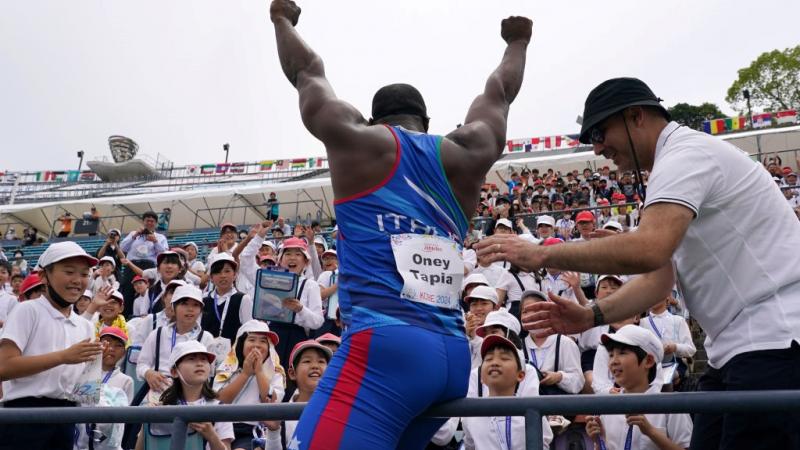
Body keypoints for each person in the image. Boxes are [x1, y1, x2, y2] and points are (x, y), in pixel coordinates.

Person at [476, 77, 800, 449]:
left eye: (599, 132)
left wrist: (542, 253)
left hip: (773, 339)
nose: (598, 149)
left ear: (636, 116)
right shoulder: (672, 165)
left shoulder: (685, 155)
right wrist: (590, 316)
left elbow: (650, 250)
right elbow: (658, 280)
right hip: (742, 346)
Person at [271, 0, 531, 446]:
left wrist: (280, 18)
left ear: (373, 121)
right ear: (427, 124)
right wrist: (517, 42)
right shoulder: (468, 151)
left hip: (385, 350)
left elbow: (308, 72)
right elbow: (498, 93)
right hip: (450, 356)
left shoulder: (356, 140)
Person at [0, 242, 103, 450]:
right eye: (69, 271)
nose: (78, 280)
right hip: (24, 416)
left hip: (66, 417)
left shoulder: (85, 325)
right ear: (44, 276)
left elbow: (82, 387)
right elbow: (4, 367)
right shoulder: (27, 311)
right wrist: (64, 357)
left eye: (85, 274)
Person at [586, 325, 692, 450]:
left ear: (648, 361)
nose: (613, 361)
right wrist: (598, 441)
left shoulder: (672, 406)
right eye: (610, 355)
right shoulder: (608, 407)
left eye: (622, 353)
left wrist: (650, 432)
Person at [461, 334, 553, 450]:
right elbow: (470, 445)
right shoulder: (471, 414)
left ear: (520, 375)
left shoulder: (532, 410)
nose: (494, 362)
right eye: (488, 359)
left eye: (504, 358)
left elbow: (543, 443)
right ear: (481, 378)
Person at [137, 341, 234, 450]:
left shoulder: (219, 408)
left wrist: (212, 436)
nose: (199, 364)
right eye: (191, 359)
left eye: (204, 359)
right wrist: (148, 421)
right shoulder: (161, 407)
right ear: (174, 372)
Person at [214, 320, 285, 450]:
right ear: (241, 344)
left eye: (263, 341)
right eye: (251, 340)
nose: (257, 345)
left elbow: (271, 400)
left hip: (253, 429)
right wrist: (245, 374)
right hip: (223, 427)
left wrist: (259, 371)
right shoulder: (226, 367)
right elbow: (220, 399)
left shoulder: (276, 372)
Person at [120, 211, 169, 313]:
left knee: (149, 292)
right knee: (128, 291)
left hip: (149, 265)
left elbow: (164, 253)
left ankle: (148, 314)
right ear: (143, 222)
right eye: (147, 220)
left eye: (152, 221)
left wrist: (155, 241)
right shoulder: (133, 234)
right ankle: (126, 316)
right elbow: (122, 248)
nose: (150, 223)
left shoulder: (160, 237)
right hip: (132, 265)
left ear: (155, 223)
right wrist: (135, 236)